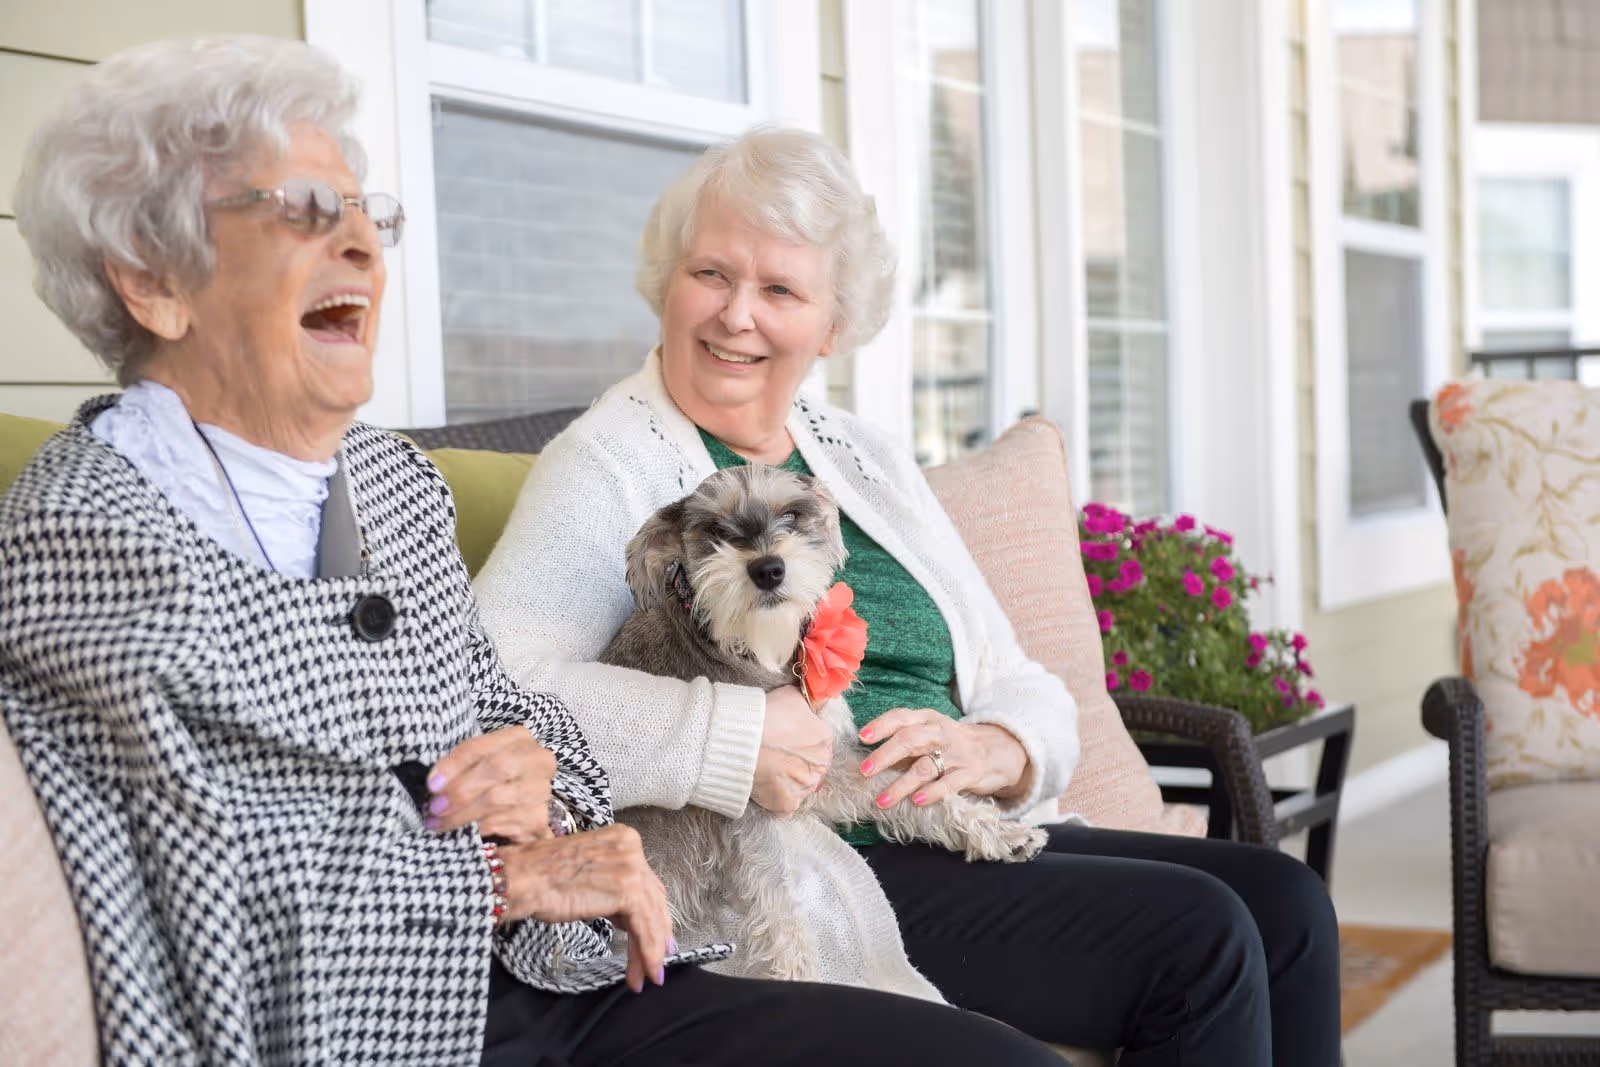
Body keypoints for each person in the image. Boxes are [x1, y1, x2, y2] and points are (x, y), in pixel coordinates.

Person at [0, 38, 1066, 1065]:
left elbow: (521, 723)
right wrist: (496, 868)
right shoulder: (89, 539)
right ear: (151, 280)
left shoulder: (384, 481)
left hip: (574, 974)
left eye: (369, 214)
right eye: (307, 213)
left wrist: (537, 796)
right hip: (394, 1024)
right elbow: (217, 882)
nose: (366, 246)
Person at [475, 125, 1343, 1065]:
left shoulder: (860, 457)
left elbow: (1012, 668)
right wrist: (729, 739)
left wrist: (999, 747)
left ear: (832, 324)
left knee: (1286, 901)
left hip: (955, 822)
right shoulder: (606, 463)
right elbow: (495, 682)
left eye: (779, 289)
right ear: (667, 281)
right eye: (711, 275)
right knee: (1202, 934)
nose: (736, 316)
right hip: (828, 850)